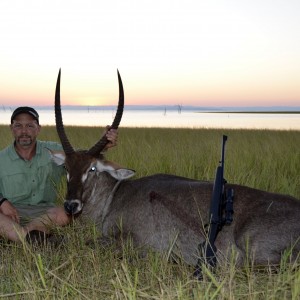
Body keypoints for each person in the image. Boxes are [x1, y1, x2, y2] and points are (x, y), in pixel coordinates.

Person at [0, 106, 118, 243]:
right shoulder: (1, 158)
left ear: (38, 129)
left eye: (30, 126)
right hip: (11, 214)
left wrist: (103, 145)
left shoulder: (54, 150)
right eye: (18, 125)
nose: (24, 131)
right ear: (11, 128)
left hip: (46, 213)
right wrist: (2, 202)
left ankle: (19, 237)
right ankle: (33, 238)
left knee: (67, 212)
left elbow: (81, 159)